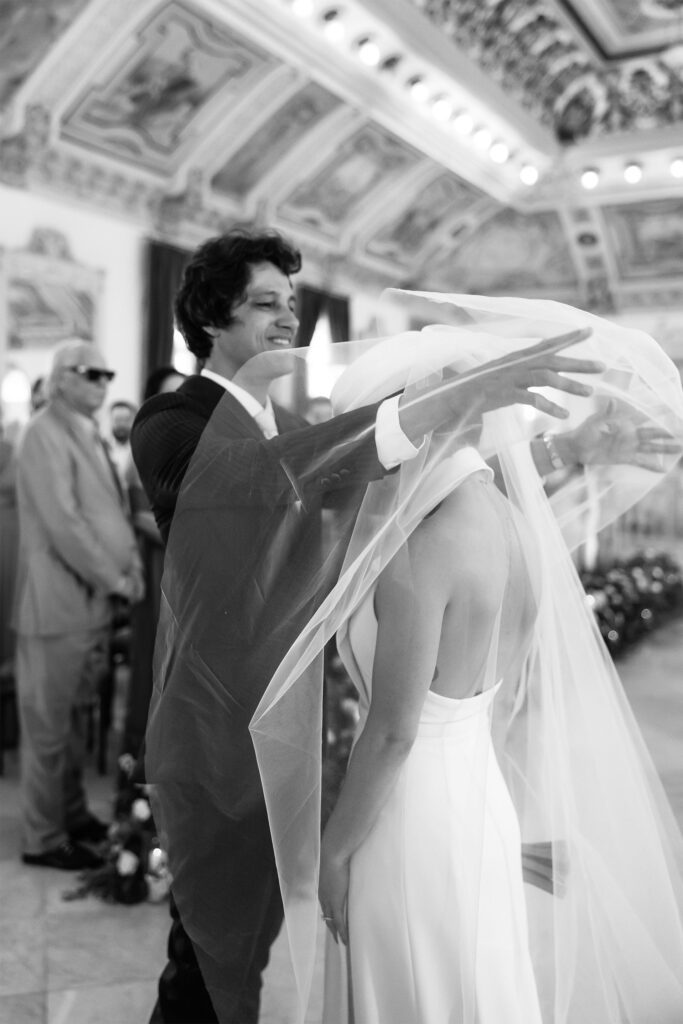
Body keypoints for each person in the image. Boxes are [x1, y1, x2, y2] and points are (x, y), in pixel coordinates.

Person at [131, 228, 667, 1024]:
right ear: (210, 318)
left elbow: (407, 495)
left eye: (291, 302)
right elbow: (256, 485)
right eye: (264, 303)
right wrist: (443, 402)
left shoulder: (287, 427)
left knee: (247, 950)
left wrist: (561, 451)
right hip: (215, 735)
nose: (286, 318)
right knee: (209, 964)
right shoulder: (171, 420)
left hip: (285, 736)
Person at [250, 296, 683, 1024]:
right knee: (473, 988)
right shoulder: (512, 522)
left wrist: (331, 855)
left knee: (416, 995)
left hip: (406, 819)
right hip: (478, 801)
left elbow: (392, 733)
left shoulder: (419, 548)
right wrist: (568, 454)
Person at [14, 339, 144, 870]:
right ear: (62, 376)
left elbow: (105, 513)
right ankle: (42, 839)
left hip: (86, 605)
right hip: (56, 606)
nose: (102, 382)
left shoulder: (85, 431)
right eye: (92, 373)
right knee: (48, 730)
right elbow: (64, 525)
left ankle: (69, 815)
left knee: (69, 726)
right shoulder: (43, 433)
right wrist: (115, 575)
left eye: (107, 374)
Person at [106, 398, 138, 487]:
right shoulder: (103, 450)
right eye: (117, 420)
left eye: (125, 420)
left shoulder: (140, 450)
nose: (121, 425)